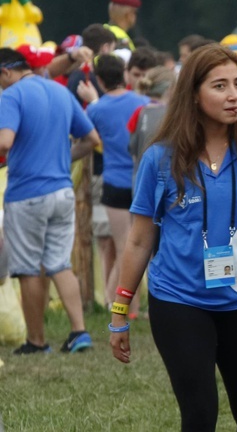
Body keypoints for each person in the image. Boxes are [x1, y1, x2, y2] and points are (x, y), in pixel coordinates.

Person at [109, 44, 237, 431]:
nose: (233, 94)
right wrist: (119, 312)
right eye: (219, 85)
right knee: (198, 414)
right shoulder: (161, 157)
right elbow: (139, 240)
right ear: (193, 93)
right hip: (180, 299)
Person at [0, 48, 100, 354]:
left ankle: (36, 341)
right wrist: (60, 158)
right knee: (58, 262)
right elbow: (92, 140)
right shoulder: (59, 92)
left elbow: (5, 141)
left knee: (28, 268)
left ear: (5, 72)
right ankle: (79, 332)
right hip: (61, 190)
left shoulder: (11, 96)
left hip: (27, 194)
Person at [79, 55, 149, 313]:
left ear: (98, 80)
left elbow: (84, 136)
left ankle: (117, 302)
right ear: (125, 73)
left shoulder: (95, 109)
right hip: (141, 180)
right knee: (140, 245)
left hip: (113, 183)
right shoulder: (143, 103)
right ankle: (133, 305)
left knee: (123, 247)